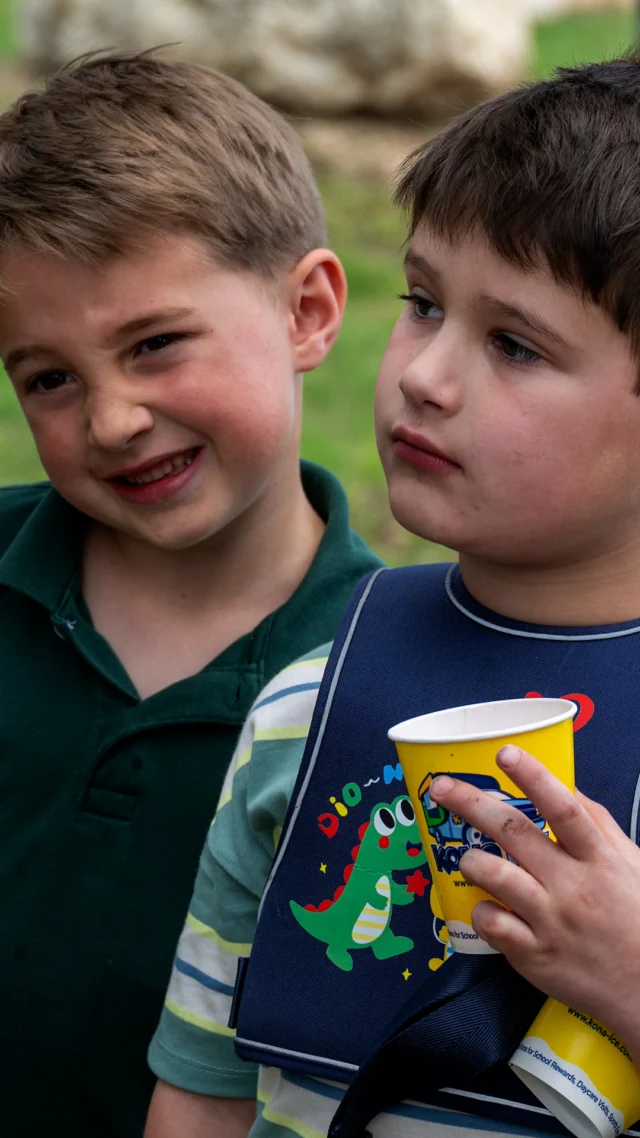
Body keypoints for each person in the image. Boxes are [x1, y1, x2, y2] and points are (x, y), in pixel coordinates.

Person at [146, 53, 640, 1137]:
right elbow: (199, 1085)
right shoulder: (301, 710)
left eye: (514, 343)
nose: (423, 373)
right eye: (422, 303)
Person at [0, 53, 383, 1137]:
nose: (112, 419)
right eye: (49, 377)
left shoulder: (384, 677)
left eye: (155, 344)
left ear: (307, 311)